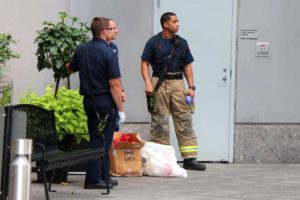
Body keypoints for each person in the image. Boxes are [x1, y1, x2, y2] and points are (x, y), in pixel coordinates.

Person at [140, 12, 206, 171]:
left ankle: (190, 159)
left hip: (178, 83)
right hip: (159, 83)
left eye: (178, 21)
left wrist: (191, 87)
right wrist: (148, 83)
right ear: (165, 24)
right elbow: (144, 63)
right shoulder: (153, 42)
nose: (178, 24)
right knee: (159, 121)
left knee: (184, 119)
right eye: (175, 21)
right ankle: (161, 159)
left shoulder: (182, 43)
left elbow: (188, 65)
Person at [66, 17, 126, 189]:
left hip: (89, 101)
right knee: (101, 142)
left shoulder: (82, 49)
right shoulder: (109, 53)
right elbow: (114, 85)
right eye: (112, 28)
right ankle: (93, 180)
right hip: (105, 103)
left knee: (99, 138)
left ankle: (103, 176)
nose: (116, 31)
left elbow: (70, 68)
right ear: (104, 31)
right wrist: (121, 110)